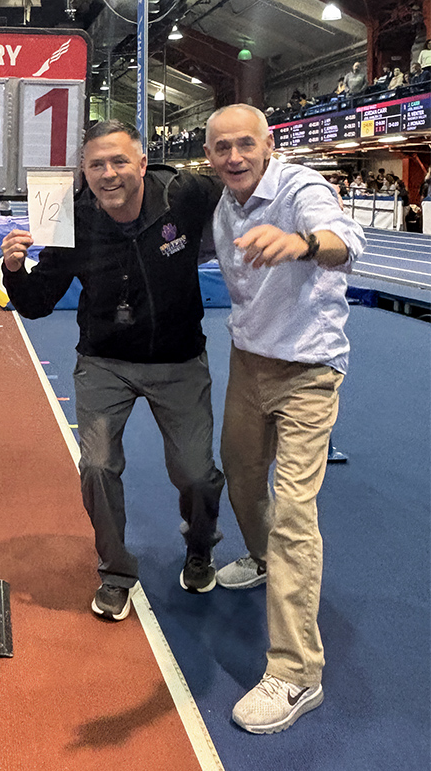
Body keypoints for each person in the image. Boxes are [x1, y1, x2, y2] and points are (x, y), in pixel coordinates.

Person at [0, 119, 225, 621]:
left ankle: (201, 545)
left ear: (142, 163)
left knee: (196, 474)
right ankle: (116, 570)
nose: (109, 173)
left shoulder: (184, 193)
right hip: (104, 362)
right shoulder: (67, 216)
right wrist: (13, 271)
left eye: (120, 161)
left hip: (179, 360)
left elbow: (249, 179)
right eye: (97, 164)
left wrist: (313, 201)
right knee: (97, 467)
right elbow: (38, 303)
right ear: (83, 171)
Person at [203, 104, 365, 735]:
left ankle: (297, 673)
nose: (234, 157)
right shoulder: (222, 208)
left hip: (307, 372)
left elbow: (348, 240)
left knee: (295, 512)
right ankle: (264, 557)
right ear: (211, 156)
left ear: (268, 146)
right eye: (222, 148)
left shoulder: (300, 188)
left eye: (246, 144)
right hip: (250, 363)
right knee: (242, 476)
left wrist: (302, 243)